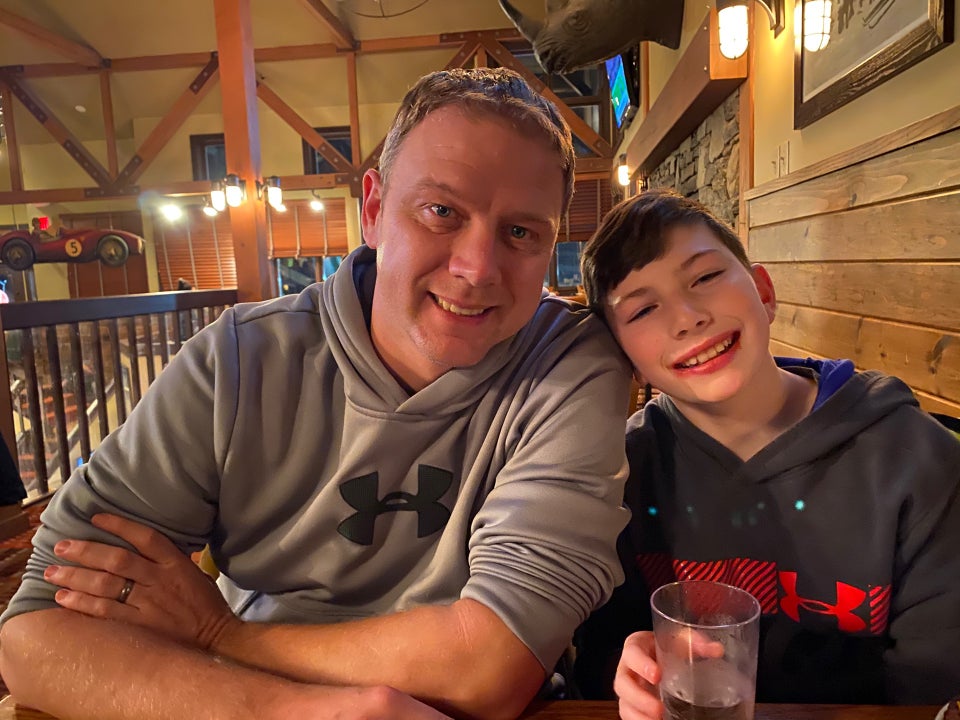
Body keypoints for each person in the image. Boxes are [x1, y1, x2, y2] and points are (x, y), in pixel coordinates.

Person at [0, 68, 633, 720]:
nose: (476, 268)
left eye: (521, 233)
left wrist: (221, 635)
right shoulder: (239, 359)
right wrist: (288, 711)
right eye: (442, 212)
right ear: (373, 210)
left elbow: (491, 668)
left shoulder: (571, 362)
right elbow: (35, 632)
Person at [574, 189, 960, 717]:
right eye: (643, 309)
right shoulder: (620, 472)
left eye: (705, 278)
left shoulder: (915, 460)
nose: (687, 317)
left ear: (763, 291)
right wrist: (628, 674)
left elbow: (934, 691)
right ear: (625, 359)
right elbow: (597, 659)